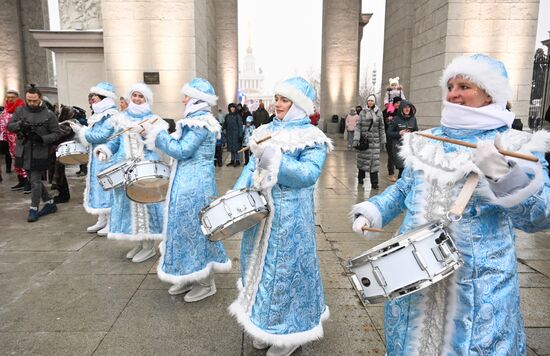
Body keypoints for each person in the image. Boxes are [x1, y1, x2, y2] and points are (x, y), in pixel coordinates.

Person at [351, 54, 550, 355]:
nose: (454, 93)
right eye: (451, 86)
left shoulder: (516, 144)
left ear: (489, 94)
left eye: (465, 86)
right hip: (415, 276)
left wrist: (504, 175)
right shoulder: (425, 139)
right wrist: (374, 210)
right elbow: (405, 187)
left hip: (477, 285)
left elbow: (540, 216)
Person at [229, 77, 332, 356]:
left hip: (290, 217)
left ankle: (289, 333)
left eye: (284, 100)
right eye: (277, 98)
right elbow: (251, 167)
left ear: (298, 104)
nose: (277, 104)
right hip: (262, 213)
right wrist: (236, 195)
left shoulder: (312, 137)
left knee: (284, 273)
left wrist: (276, 159)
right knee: (259, 270)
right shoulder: (265, 130)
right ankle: (265, 324)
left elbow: (308, 175)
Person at [139, 77, 232, 301]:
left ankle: (205, 281)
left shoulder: (201, 123)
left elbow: (181, 150)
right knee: (182, 229)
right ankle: (188, 275)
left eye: (187, 96)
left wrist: (158, 132)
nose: (183, 100)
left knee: (197, 231)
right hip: (185, 184)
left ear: (197, 99)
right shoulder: (194, 120)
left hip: (196, 187)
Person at [94, 83, 164, 262]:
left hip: (145, 168)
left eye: (141, 96)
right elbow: (115, 142)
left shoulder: (154, 119)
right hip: (125, 168)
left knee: (145, 205)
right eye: (135, 96)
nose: (137, 99)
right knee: (129, 205)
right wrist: (105, 150)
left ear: (146, 99)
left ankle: (149, 246)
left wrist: (146, 134)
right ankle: (139, 241)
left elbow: (158, 143)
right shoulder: (121, 118)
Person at [70, 82, 119, 235]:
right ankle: (102, 219)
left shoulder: (111, 114)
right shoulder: (98, 114)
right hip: (96, 157)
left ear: (104, 98)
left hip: (107, 156)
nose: (92, 100)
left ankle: (112, 221)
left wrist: (82, 131)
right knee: (97, 187)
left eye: (95, 97)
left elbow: (102, 135)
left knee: (107, 187)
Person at [7, 85, 61, 222]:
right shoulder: (20, 110)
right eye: (29, 100)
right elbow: (9, 126)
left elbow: (57, 133)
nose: (31, 103)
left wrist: (42, 138)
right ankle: (49, 203)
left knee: (35, 181)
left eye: (34, 101)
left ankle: (33, 208)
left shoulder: (49, 114)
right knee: (32, 179)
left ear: (40, 98)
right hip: (23, 150)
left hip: (40, 151)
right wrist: (20, 124)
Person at [353, 94, 385, 189]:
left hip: (375, 142)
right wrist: (356, 139)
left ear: (375, 102)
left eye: (372, 101)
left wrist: (383, 140)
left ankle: (374, 183)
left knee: (374, 163)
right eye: (369, 101)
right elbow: (358, 126)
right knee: (363, 161)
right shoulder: (363, 112)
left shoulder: (379, 113)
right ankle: (360, 178)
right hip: (365, 141)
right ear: (367, 102)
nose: (370, 102)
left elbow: (381, 127)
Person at [0, 90, 28, 190]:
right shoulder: (5, 110)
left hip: (21, 139)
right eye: (8, 97)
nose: (10, 99)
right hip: (10, 141)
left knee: (24, 160)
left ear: (17, 98)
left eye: (12, 97)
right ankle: (21, 181)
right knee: (16, 161)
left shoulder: (22, 109)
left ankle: (28, 182)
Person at [49, 105, 76, 203]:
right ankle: (62, 193)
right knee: (57, 174)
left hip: (60, 152)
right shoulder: (64, 124)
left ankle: (64, 195)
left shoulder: (67, 125)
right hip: (58, 151)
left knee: (59, 174)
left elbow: (58, 135)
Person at [387, 99, 418, 179]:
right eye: (405, 107)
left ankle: (404, 187)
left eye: (409, 107)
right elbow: (389, 133)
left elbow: (416, 131)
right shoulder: (396, 119)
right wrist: (399, 133)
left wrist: (414, 134)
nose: (407, 109)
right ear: (401, 108)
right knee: (402, 168)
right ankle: (399, 188)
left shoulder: (413, 119)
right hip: (398, 147)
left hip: (409, 147)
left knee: (408, 169)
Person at [384, 96, 402, 182]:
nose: (398, 104)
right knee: (391, 155)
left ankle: (400, 173)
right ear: (393, 104)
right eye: (397, 103)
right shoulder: (388, 112)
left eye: (399, 103)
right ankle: (391, 173)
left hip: (400, 137)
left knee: (400, 155)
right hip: (390, 137)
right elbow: (385, 124)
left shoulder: (403, 112)